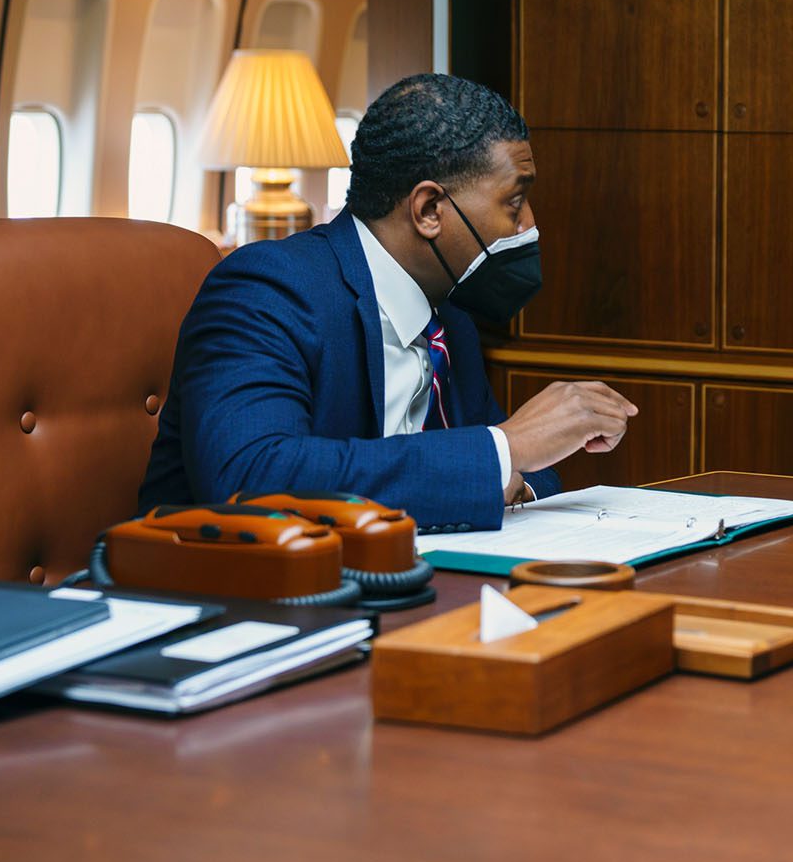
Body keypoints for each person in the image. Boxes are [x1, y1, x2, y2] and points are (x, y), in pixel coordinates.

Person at [140, 73, 638, 531]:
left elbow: (522, 473)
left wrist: (510, 466)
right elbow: (252, 478)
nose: (529, 224)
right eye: (513, 202)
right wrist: (504, 449)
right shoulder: (269, 290)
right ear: (427, 210)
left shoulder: (450, 317)